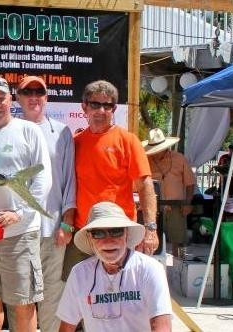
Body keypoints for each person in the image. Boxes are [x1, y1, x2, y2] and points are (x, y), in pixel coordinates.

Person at [0, 77, 52, 332]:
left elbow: (43, 179)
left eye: (1, 98)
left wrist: (20, 213)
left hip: (20, 231)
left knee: (23, 302)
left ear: (10, 100)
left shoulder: (29, 131)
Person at [64, 80, 158, 281]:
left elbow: (145, 185)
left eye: (107, 106)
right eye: (95, 104)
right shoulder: (75, 143)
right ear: (84, 107)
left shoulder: (128, 140)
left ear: (114, 109)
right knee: (81, 294)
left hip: (118, 232)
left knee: (122, 293)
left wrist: (150, 230)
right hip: (84, 232)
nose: (101, 110)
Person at [17, 75, 76, 332]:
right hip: (19, 228)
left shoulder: (62, 132)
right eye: (26, 92)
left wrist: (67, 222)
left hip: (53, 228)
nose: (33, 97)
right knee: (21, 296)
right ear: (17, 98)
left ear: (47, 96)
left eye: (38, 92)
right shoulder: (10, 130)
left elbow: (70, 181)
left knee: (53, 292)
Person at [56, 201, 172, 332]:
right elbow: (66, 327)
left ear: (127, 234)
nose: (108, 240)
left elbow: (162, 327)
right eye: (98, 233)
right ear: (89, 238)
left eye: (116, 231)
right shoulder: (79, 273)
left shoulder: (150, 269)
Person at [143, 128, 195, 257]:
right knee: (152, 238)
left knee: (178, 239)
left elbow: (190, 183)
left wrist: (188, 203)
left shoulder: (179, 159)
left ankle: (178, 264)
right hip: (153, 207)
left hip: (176, 206)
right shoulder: (146, 160)